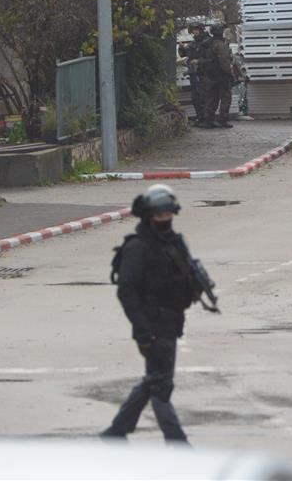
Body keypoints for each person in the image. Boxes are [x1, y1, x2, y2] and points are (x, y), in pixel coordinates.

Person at [101, 185, 195, 443]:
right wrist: (142, 330)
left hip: (171, 323)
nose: (165, 220)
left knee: (154, 380)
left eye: (168, 215)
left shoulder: (172, 244)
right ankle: (177, 442)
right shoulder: (138, 248)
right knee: (161, 385)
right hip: (152, 326)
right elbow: (126, 292)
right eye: (159, 216)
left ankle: (117, 431)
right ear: (148, 216)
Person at [198, 25, 235, 129]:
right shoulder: (220, 45)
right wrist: (230, 73)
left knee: (212, 98)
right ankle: (222, 120)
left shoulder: (208, 43)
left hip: (210, 75)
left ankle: (208, 120)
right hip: (221, 76)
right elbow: (225, 62)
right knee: (226, 97)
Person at [179, 22, 209, 126]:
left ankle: (207, 119)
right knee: (195, 97)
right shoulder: (193, 43)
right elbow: (184, 53)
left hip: (204, 73)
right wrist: (181, 47)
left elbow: (211, 58)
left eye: (197, 30)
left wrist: (199, 61)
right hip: (194, 73)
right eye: (193, 30)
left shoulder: (207, 42)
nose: (195, 32)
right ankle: (200, 118)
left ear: (201, 30)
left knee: (204, 97)